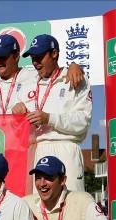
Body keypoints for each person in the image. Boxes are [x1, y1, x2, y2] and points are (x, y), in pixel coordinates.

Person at [13, 34, 92, 192]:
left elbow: (82, 122)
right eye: (32, 58)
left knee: (71, 205)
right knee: (35, 207)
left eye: (40, 57)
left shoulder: (75, 78)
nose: (35, 63)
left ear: (54, 54)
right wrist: (16, 112)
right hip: (35, 151)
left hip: (65, 148)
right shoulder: (27, 83)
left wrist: (49, 118)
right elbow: (16, 127)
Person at [0, 35, 84, 115]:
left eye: (2, 57)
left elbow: (54, 72)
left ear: (16, 57)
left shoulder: (33, 77)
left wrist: (73, 66)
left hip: (21, 138)